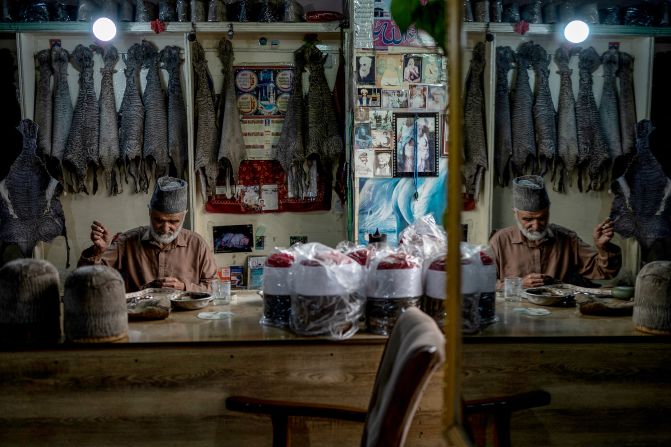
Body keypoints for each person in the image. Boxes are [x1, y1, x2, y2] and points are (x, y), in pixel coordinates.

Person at [78, 176, 217, 293]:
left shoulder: (197, 244)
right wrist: (98, 251)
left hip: (186, 322)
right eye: (158, 220)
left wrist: (185, 288)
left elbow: (214, 287)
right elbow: (86, 280)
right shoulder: (127, 241)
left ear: (184, 216)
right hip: (139, 321)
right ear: (150, 212)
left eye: (173, 221)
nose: (165, 228)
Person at [489, 175, 622, 289]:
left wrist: (603, 247)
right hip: (513, 315)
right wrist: (518, 285)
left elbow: (604, 272)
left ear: (548, 211)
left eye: (542, 218)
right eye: (528, 219)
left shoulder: (567, 239)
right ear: (516, 214)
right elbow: (484, 283)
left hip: (557, 314)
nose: (536, 226)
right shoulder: (500, 241)